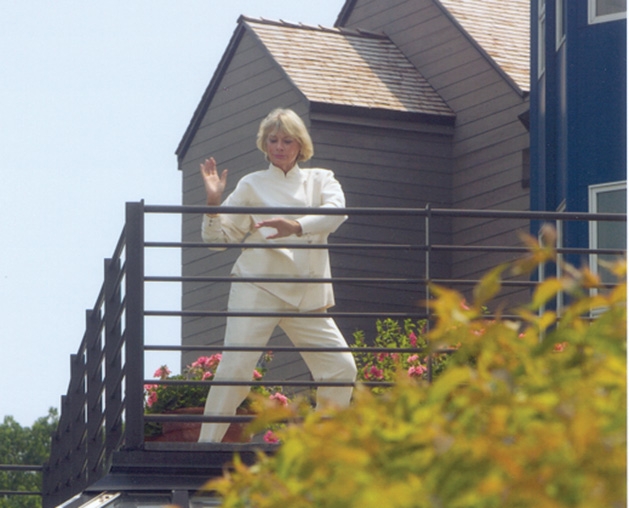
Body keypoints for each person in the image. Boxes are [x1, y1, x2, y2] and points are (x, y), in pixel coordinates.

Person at [197, 108, 357, 443]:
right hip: (257, 285)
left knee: (341, 368)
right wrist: (213, 204)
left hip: (305, 294)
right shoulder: (251, 184)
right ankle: (204, 447)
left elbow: (336, 212)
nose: (280, 147)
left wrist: (296, 226)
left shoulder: (321, 179)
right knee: (236, 371)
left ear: (301, 145)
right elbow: (218, 240)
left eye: (287, 140)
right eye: (273, 140)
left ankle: (319, 447)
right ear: (264, 144)